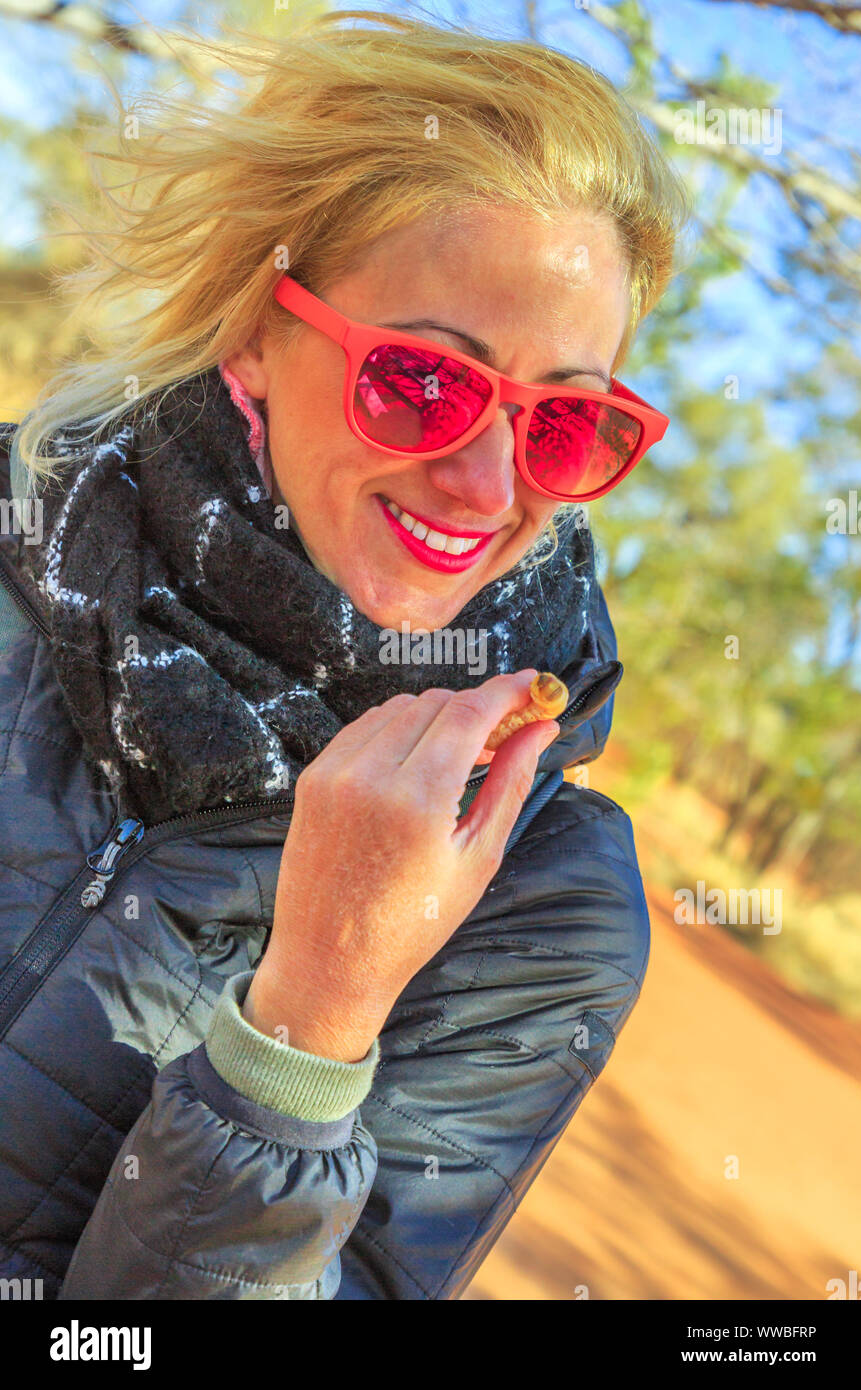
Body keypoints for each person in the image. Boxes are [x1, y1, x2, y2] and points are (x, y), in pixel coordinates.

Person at [0, 10, 689, 1299]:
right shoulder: (20, 516)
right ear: (260, 330)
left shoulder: (542, 896)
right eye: (423, 380)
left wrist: (311, 1025)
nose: (487, 483)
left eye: (564, 423)